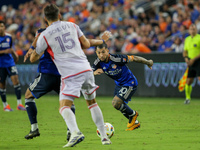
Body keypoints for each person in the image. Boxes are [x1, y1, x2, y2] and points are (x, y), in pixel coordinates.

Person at [29, 4, 111, 147]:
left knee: (63, 107)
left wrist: (36, 46)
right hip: (86, 69)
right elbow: (86, 44)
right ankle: (104, 138)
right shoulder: (72, 25)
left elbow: (33, 58)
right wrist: (101, 41)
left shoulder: (45, 35)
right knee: (92, 103)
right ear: (59, 15)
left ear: (45, 18)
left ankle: (75, 132)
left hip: (70, 73)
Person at [23, 26, 76, 140]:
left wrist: (32, 48)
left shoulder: (43, 37)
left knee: (28, 96)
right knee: (69, 102)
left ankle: (34, 129)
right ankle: (71, 131)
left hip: (47, 74)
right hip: (62, 74)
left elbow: (33, 59)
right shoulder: (60, 36)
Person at [92, 42, 153, 131]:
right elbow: (88, 72)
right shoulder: (97, 62)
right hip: (119, 84)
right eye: (98, 53)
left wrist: (148, 62)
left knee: (116, 103)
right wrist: (93, 72)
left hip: (129, 83)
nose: (101, 55)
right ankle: (135, 123)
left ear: (108, 51)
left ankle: (133, 114)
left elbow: (134, 58)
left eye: (103, 52)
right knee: (118, 105)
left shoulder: (117, 59)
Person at [0, 20, 26, 111]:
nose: (0, 28)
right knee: (2, 84)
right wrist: (3, 52)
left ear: (4, 27)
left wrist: (15, 54)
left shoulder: (9, 37)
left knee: (16, 81)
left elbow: (10, 48)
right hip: (1, 65)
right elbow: (6, 50)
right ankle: (5, 105)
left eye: (2, 26)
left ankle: (19, 104)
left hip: (10, 62)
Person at [183, 24, 200, 104]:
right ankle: (187, 98)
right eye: (191, 29)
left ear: (196, 30)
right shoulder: (187, 39)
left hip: (198, 61)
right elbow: (185, 51)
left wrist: (193, 59)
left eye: (194, 29)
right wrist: (186, 59)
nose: (192, 30)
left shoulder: (199, 38)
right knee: (189, 81)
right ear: (189, 30)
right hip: (191, 62)